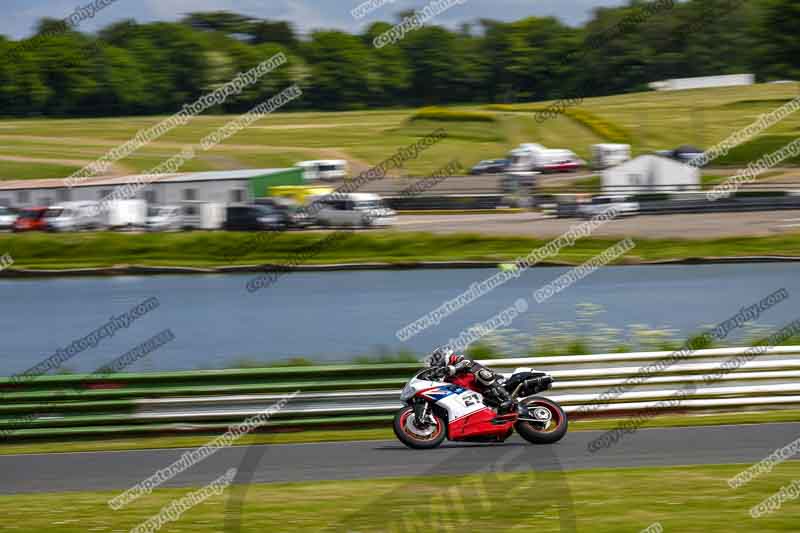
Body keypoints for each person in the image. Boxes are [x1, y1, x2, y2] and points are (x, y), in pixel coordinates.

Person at [428, 347, 513, 413]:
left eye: (438, 362)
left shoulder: (459, 360)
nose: (439, 366)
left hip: (492, 383)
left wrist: (452, 368)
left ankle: (507, 398)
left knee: (481, 373)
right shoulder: (446, 378)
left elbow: (465, 364)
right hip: (478, 398)